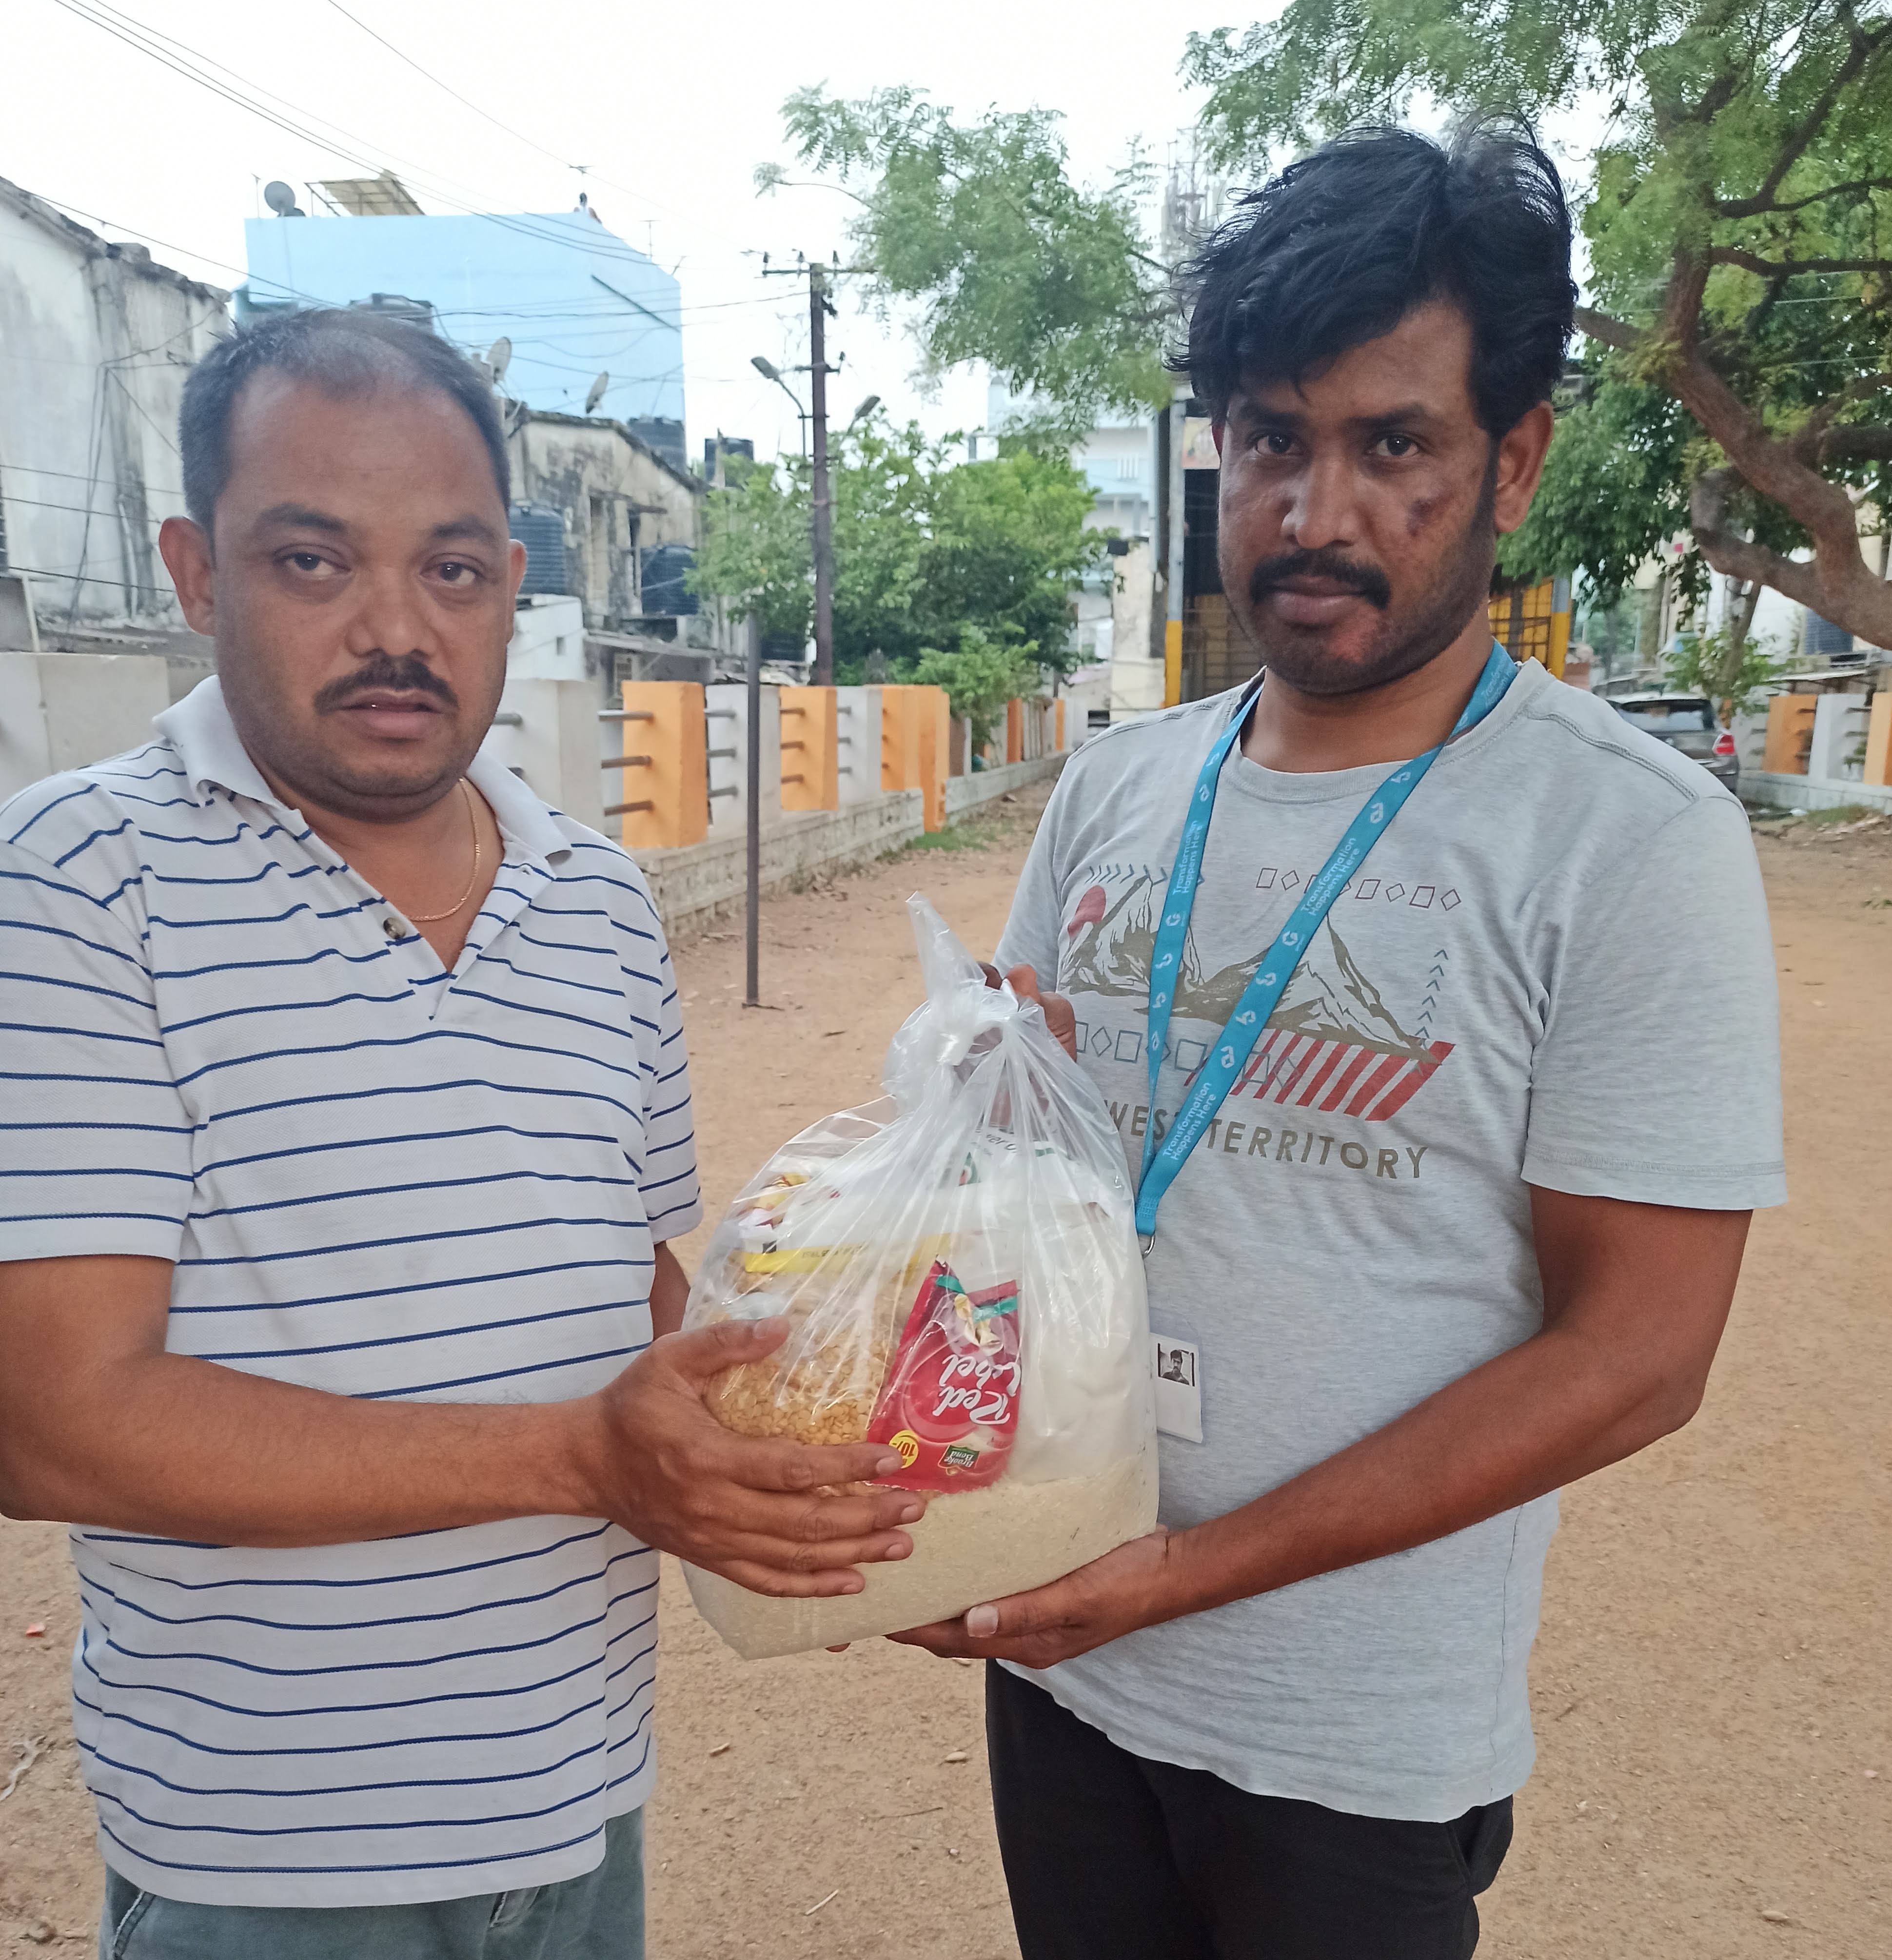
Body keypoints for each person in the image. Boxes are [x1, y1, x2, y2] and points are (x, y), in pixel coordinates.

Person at [901, 124, 1785, 1959]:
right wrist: (977, 1133)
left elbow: (1639, 1354)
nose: (1315, 513)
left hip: (1349, 1740)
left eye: (1394, 446)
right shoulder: (1120, 786)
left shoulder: (1626, 838)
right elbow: (1018, 1190)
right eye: (1271, 439)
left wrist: (1184, 1572)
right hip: (1060, 1656)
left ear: (1513, 460)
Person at [0, 309, 925, 1959]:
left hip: (579, 1811)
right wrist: (578, 1456)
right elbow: (53, 1422)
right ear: (197, 573)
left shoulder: (600, 902)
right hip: (270, 1864)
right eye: (311, 562)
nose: (395, 630)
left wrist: (827, 1466)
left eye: (451, 570)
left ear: (510, 583)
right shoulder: (77, 886)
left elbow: (635, 1295)